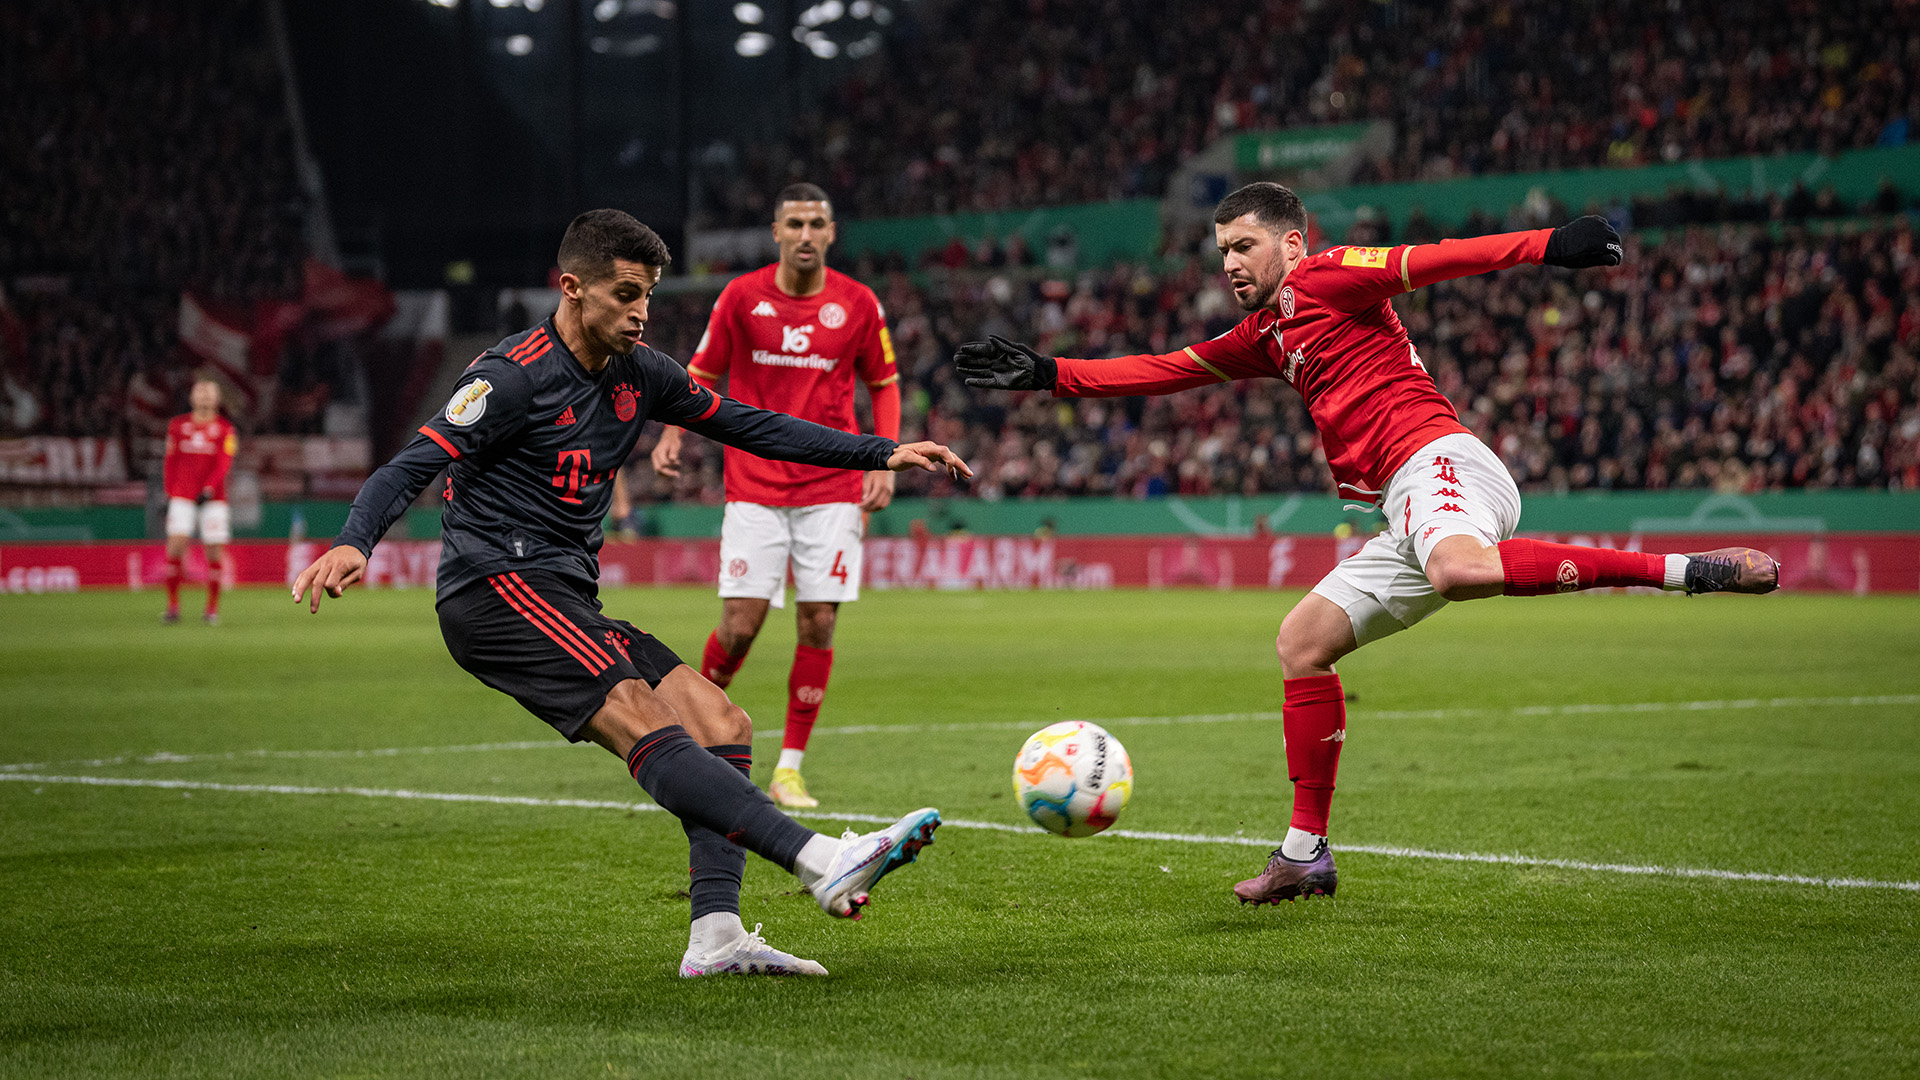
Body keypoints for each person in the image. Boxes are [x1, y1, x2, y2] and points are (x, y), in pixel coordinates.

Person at [956, 182, 1778, 906]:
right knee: (1302, 643)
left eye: (1244, 247)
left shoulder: (1330, 274)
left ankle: (1682, 570)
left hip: (1440, 461)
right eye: (1221, 252)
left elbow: (1433, 258)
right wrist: (1049, 373)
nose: (1230, 265)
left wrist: (1546, 247)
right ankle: (1305, 856)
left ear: (1290, 243)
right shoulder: (1267, 334)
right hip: (1402, 504)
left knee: (1459, 570)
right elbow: (1165, 368)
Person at [293, 210, 972, 976]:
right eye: (625, 293)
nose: (642, 311)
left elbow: (751, 425)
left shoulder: (640, 371)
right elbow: (411, 463)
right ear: (573, 288)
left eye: (647, 293)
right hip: (492, 587)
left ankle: (716, 934)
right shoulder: (509, 376)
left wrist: (879, 450)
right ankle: (820, 858)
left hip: (563, 595)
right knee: (639, 712)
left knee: (720, 719)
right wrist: (355, 538)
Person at [649, 183, 900, 809]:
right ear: (777, 232)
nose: (808, 234)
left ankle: (789, 768)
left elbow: (885, 383)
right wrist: (672, 431)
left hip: (832, 487)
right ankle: (691, 741)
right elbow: (700, 373)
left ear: (832, 232)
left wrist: (886, 456)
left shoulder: (859, 303)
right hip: (755, 486)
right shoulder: (741, 296)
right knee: (738, 627)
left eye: (818, 222)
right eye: (796, 223)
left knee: (819, 620)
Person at [162, 376, 237, 625]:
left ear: (217, 399)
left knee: (214, 553)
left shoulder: (226, 430)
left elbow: (224, 463)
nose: (204, 396)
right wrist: (170, 491)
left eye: (209, 392)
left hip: (214, 499)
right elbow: (170, 461)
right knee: (175, 548)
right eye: (200, 391)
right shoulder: (177, 426)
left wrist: (208, 488)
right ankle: (173, 607)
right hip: (182, 496)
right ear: (192, 397)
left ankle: (212, 609)